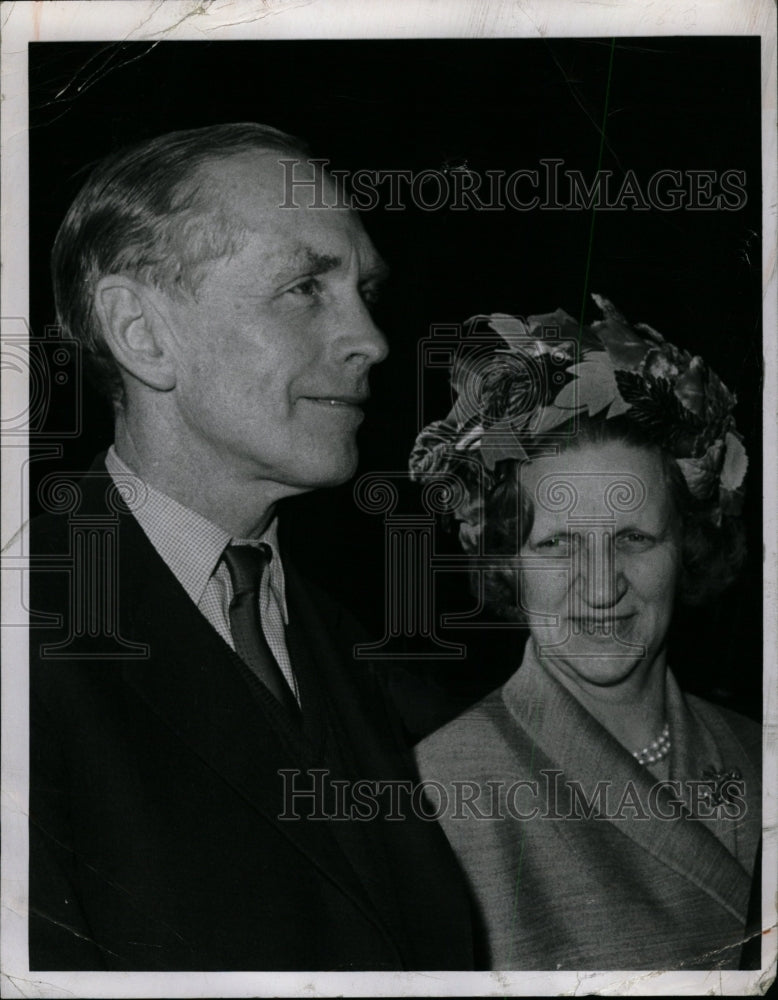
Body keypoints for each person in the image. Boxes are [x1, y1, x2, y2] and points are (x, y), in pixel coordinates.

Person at [28, 123, 474, 971]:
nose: (371, 340)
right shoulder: (25, 630)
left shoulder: (356, 653)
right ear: (142, 333)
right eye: (306, 286)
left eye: (363, 290)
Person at [410, 296, 761, 970]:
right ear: (507, 560)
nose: (602, 588)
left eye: (634, 537)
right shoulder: (440, 794)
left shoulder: (758, 755)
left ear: (687, 545)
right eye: (558, 545)